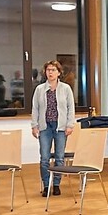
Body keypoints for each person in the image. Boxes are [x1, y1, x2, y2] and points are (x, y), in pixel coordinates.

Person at [31, 60, 76, 197]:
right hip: (45, 126)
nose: (50, 72)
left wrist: (70, 125)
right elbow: (35, 108)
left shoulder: (66, 88)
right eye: (48, 70)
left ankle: (56, 184)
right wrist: (34, 126)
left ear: (58, 73)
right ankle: (46, 185)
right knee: (44, 157)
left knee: (59, 158)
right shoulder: (39, 89)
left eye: (53, 70)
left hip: (60, 127)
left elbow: (70, 108)